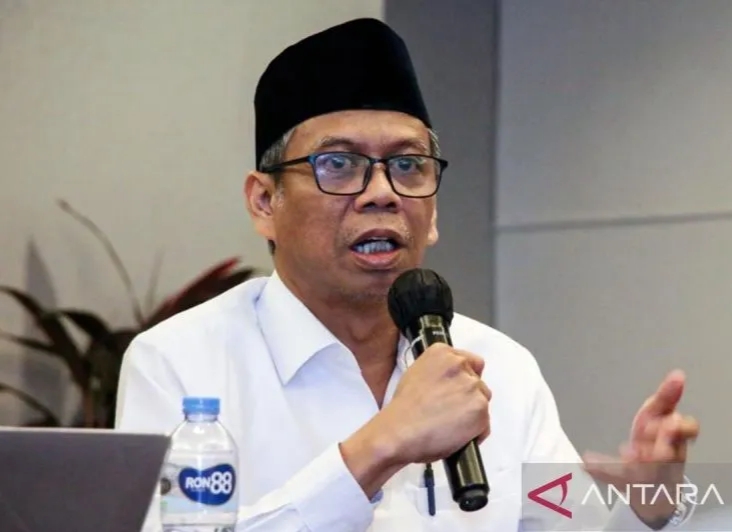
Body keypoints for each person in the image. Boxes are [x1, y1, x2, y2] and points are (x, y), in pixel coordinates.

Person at [115, 18, 700, 531]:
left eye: (408, 165)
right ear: (265, 202)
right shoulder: (180, 363)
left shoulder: (502, 367)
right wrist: (380, 447)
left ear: (433, 211)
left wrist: (644, 514)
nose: (382, 193)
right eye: (338, 164)